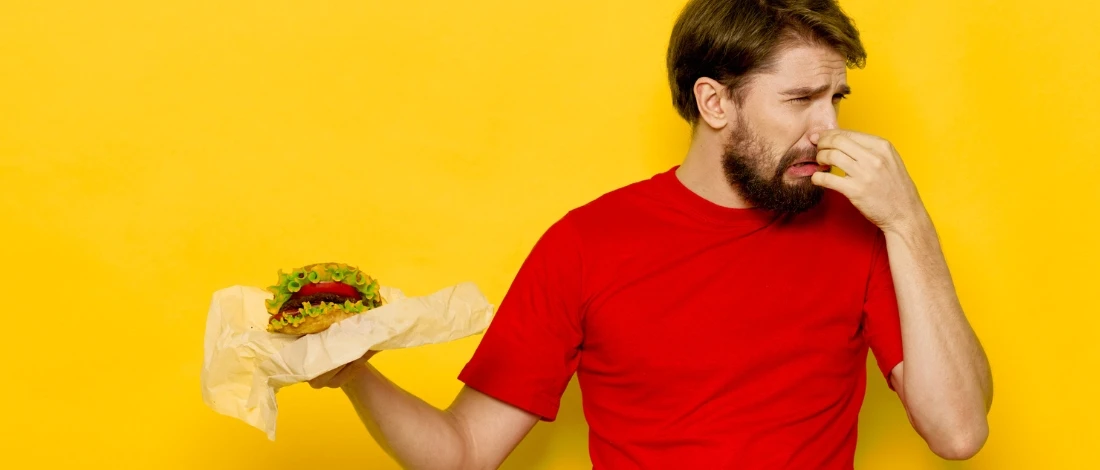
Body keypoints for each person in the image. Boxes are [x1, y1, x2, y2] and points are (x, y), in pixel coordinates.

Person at [310, 0, 994, 468]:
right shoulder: (585, 245)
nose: (830, 129)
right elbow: (462, 452)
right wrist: (354, 373)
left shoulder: (861, 232)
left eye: (834, 99)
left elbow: (959, 432)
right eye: (800, 100)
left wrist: (908, 220)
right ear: (714, 101)